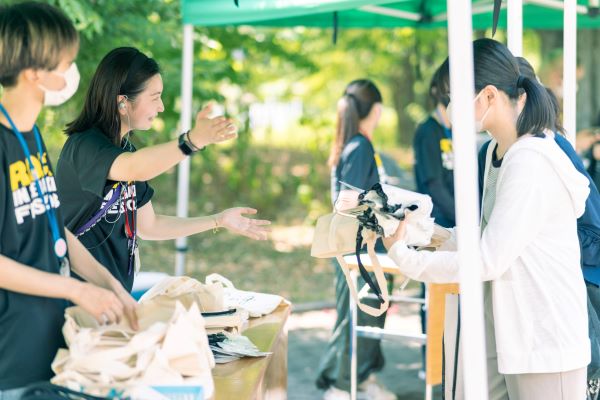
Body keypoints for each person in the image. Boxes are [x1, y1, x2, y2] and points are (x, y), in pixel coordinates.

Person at [384, 38, 590, 400]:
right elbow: (488, 236)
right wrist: (432, 234)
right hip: (513, 334)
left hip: (545, 340)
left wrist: (407, 259)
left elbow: (487, 259)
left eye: (454, 95)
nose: (448, 107)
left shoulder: (530, 160)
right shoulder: (498, 151)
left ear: (489, 96)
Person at [0, 3, 138, 397]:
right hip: (11, 358)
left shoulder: (33, 136)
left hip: (51, 347)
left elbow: (55, 230)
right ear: (34, 73)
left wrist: (110, 285)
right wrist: (76, 290)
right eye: (65, 63)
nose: (72, 73)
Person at [55, 47, 271, 293]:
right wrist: (191, 141)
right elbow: (135, 168)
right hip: (75, 297)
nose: (161, 108)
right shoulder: (85, 146)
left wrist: (218, 220)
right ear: (123, 102)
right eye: (154, 97)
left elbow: (150, 226)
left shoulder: (126, 149)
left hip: (113, 298)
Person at [315, 79, 395, 400]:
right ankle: (339, 384)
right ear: (375, 110)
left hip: (353, 244)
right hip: (355, 246)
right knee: (360, 313)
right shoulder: (360, 146)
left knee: (364, 311)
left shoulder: (352, 143)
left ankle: (357, 380)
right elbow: (346, 200)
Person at [414, 64, 455, 228]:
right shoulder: (428, 132)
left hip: (456, 220)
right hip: (438, 222)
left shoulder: (456, 130)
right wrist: (462, 217)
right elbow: (434, 185)